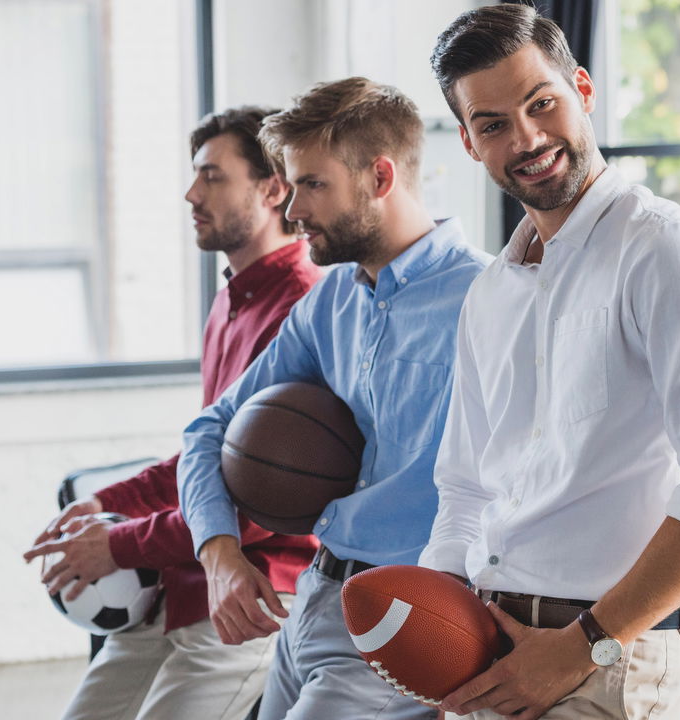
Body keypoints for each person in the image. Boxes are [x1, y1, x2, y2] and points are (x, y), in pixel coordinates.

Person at [421, 6, 680, 719]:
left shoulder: (669, 251)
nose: (526, 137)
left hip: (614, 661)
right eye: (493, 124)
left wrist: (583, 647)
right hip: (490, 654)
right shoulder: (491, 289)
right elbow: (464, 486)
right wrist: (443, 627)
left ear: (582, 90)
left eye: (541, 103)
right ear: (468, 143)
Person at [178, 77, 491, 720]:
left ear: (380, 177)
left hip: (407, 615)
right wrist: (220, 553)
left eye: (311, 185)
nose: (292, 210)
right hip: (316, 599)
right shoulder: (330, 301)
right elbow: (210, 430)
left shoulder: (492, 299)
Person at [23, 106, 321, 720]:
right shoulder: (229, 303)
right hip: (183, 588)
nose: (192, 193)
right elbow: (206, 459)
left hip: (256, 598)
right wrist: (109, 500)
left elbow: (263, 499)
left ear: (272, 189)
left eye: (213, 176)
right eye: (195, 176)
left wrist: (121, 544)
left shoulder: (304, 309)